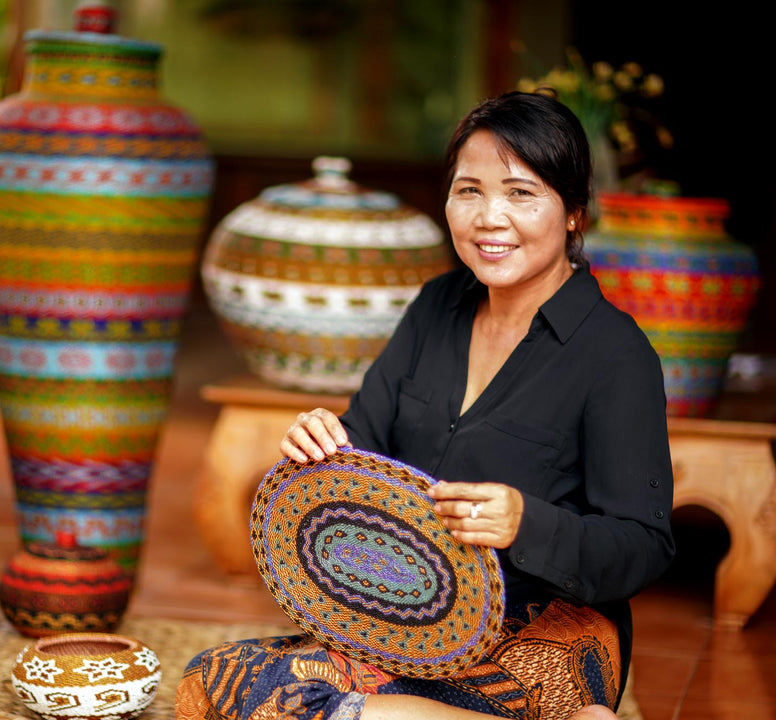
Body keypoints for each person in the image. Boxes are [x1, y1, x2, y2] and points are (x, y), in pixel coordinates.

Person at [176, 91, 675, 720]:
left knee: (339, 710)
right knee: (211, 684)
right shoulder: (437, 305)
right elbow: (359, 446)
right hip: (405, 619)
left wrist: (527, 522)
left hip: (543, 634)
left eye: (521, 193)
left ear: (573, 212)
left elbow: (644, 545)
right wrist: (321, 440)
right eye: (469, 190)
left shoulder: (616, 354)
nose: (489, 217)